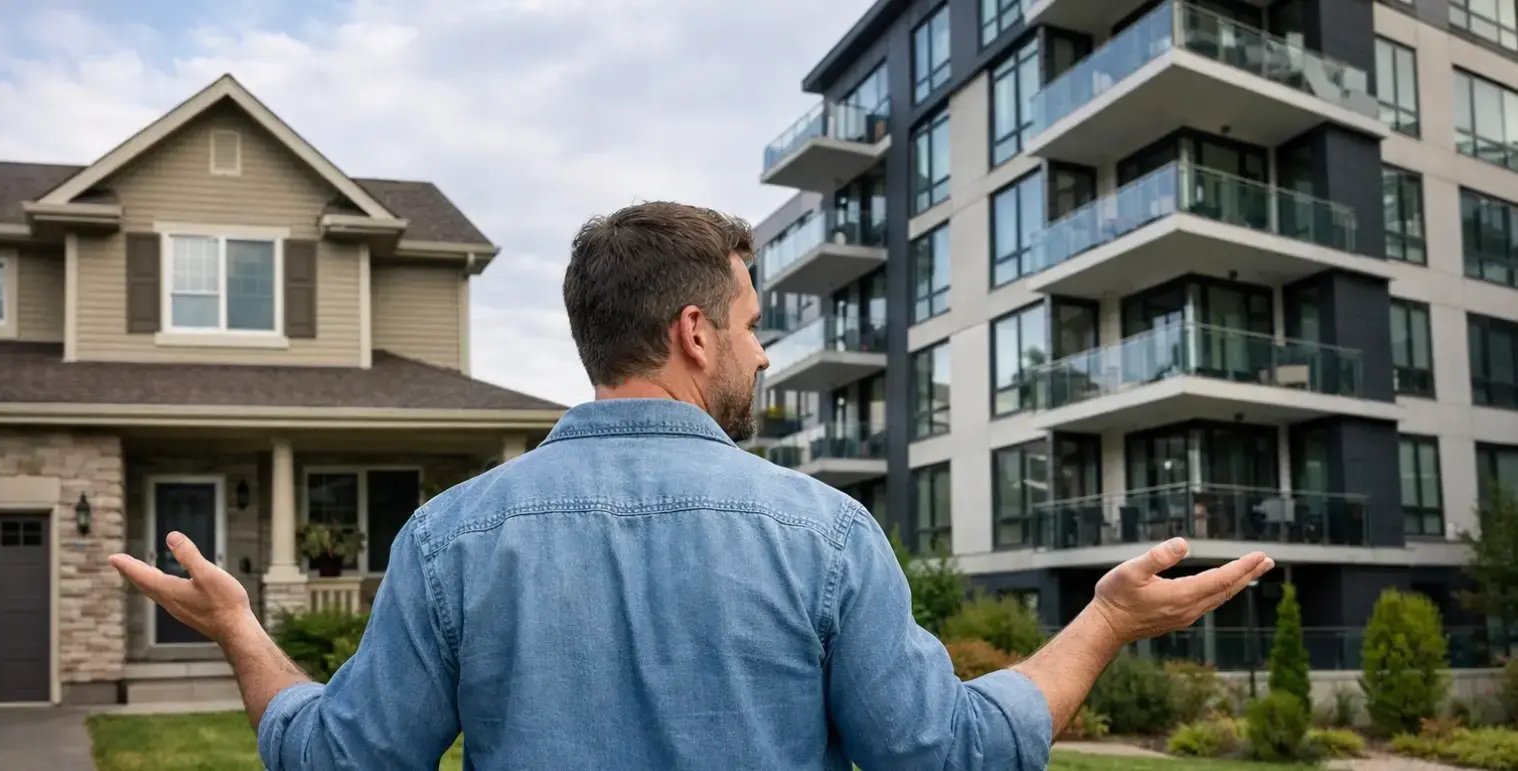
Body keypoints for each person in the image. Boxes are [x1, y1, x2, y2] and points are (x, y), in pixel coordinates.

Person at [110, 202, 1274, 770]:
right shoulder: (825, 535)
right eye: (754, 326)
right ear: (694, 332)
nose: (763, 355)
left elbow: (337, 762)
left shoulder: (448, 537)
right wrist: (1106, 622)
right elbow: (945, 757)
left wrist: (240, 630)